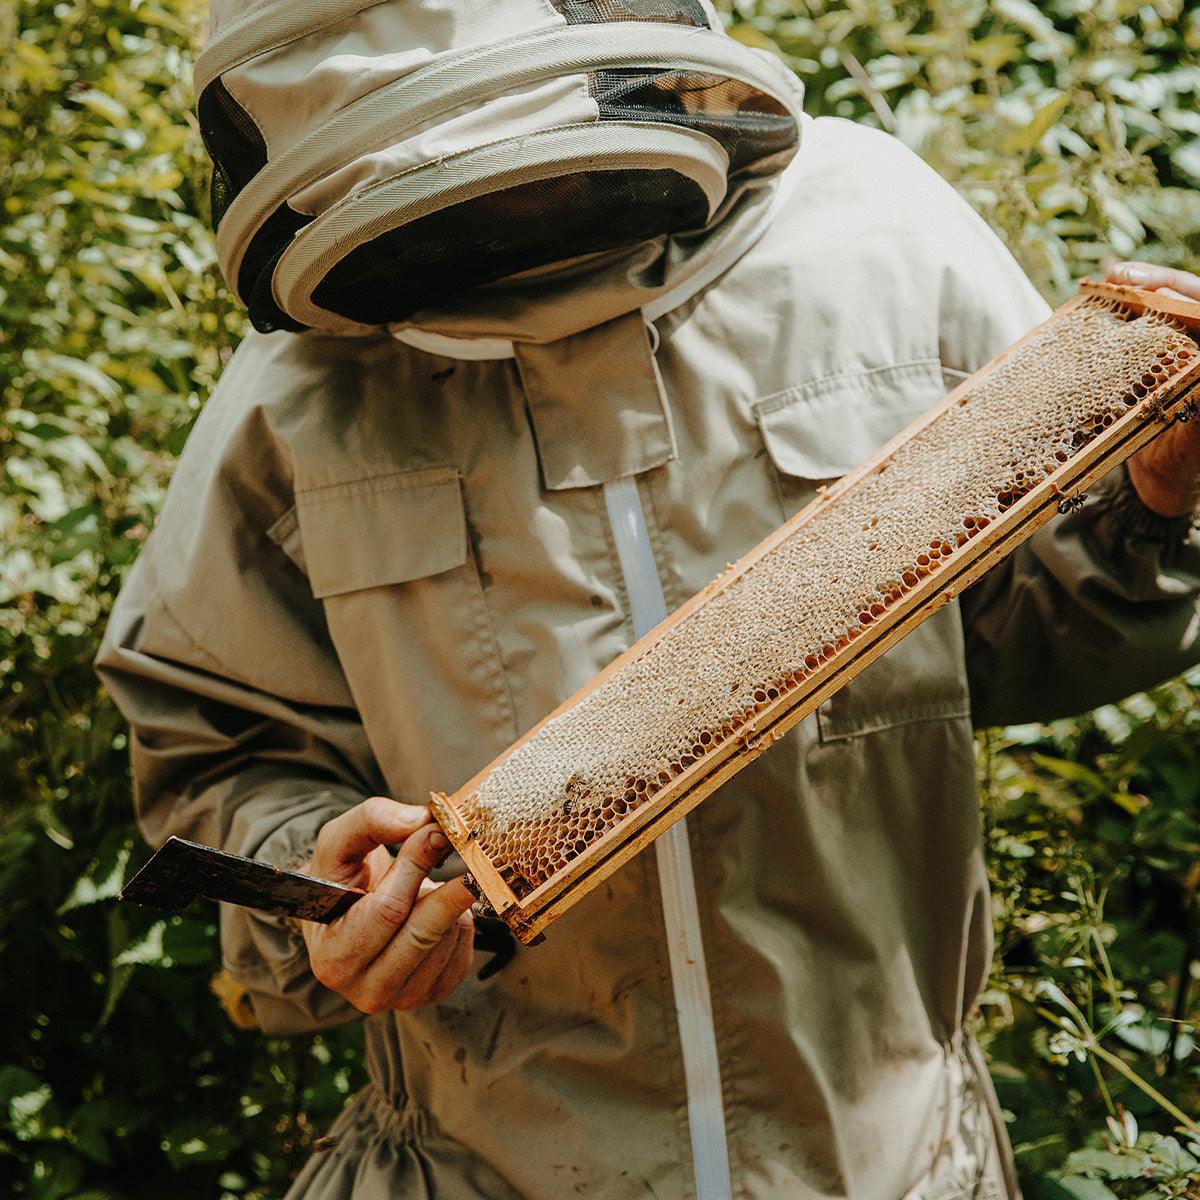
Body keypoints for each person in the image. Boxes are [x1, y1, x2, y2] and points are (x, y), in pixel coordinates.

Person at [95, 2, 1200, 1196]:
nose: (499, 218)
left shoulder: (884, 241)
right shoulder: (301, 386)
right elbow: (211, 743)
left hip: (889, 1160)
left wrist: (1154, 501)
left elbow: (1017, 635)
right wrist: (310, 883)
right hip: (480, 1167)